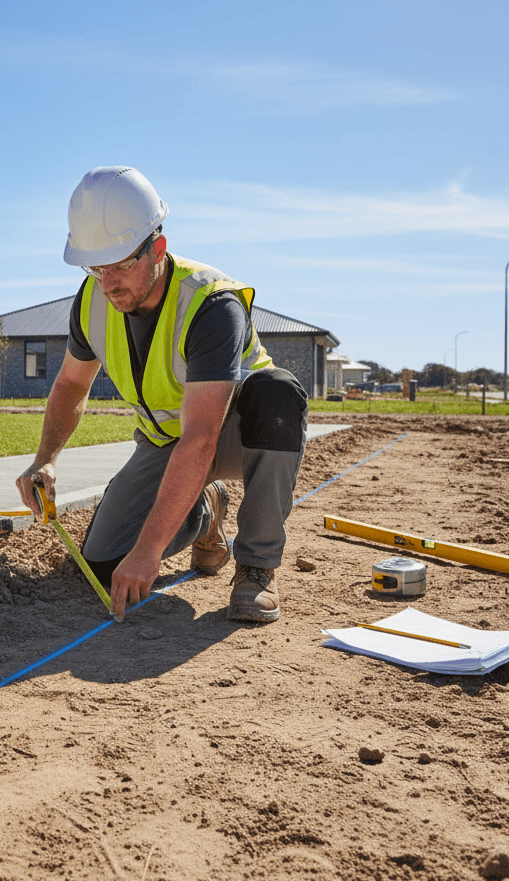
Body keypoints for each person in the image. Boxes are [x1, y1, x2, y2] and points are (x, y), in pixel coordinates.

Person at [16, 166, 308, 622]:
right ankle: (205, 511)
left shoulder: (211, 304)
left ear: (157, 248)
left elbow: (202, 438)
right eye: (96, 268)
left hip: (237, 434)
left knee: (279, 394)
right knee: (103, 566)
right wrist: (45, 459)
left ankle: (257, 567)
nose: (108, 283)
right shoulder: (92, 300)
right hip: (166, 441)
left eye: (120, 265)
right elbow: (72, 383)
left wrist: (150, 551)